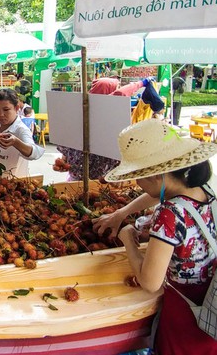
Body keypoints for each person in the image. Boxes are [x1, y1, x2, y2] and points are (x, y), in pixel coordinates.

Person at [94, 119, 217, 354]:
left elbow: (150, 283)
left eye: (139, 176)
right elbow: (161, 194)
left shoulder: (170, 214)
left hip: (186, 320)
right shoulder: (204, 190)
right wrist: (123, 212)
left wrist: (128, 238)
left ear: (156, 175)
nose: (136, 183)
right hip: (211, 309)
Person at [56, 76, 151, 181]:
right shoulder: (110, 118)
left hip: (79, 179)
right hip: (101, 181)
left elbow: (65, 155)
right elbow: (121, 94)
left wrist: (63, 164)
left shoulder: (78, 114)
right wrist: (141, 83)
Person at [0, 88, 44, 177]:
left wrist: (16, 142)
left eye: (6, 109)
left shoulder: (20, 130)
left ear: (16, 108)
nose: (1, 114)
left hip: (10, 186)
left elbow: (35, 153)